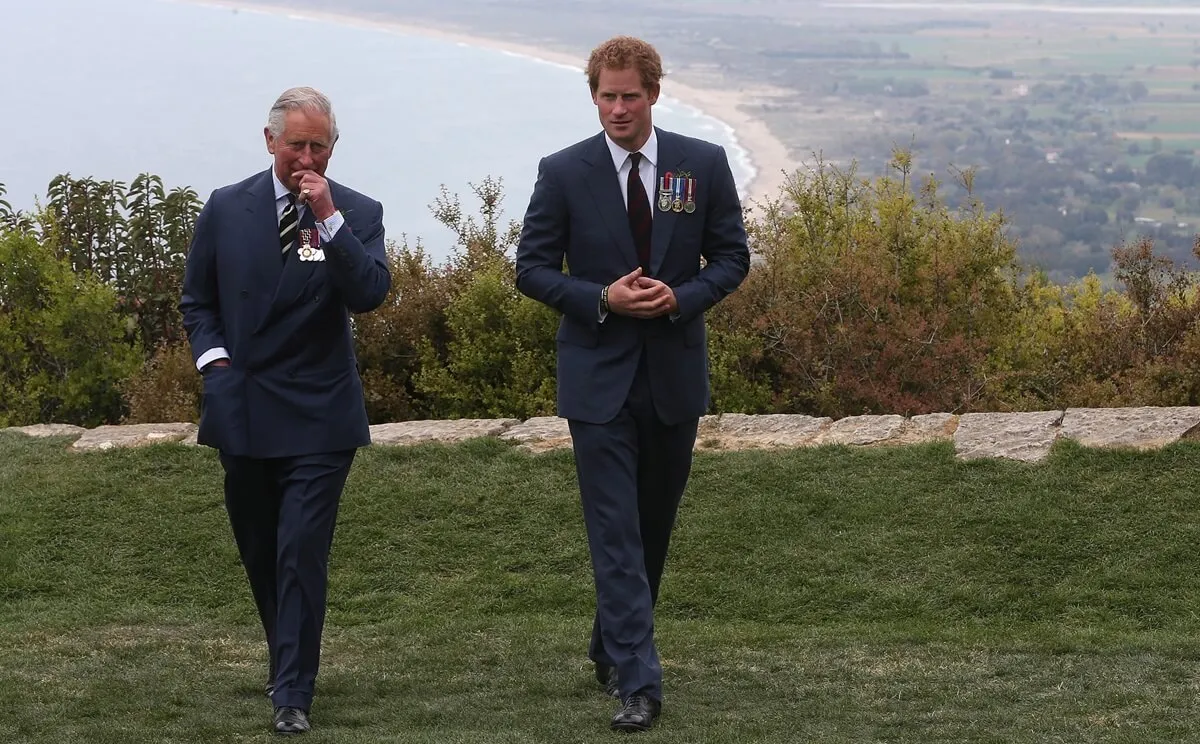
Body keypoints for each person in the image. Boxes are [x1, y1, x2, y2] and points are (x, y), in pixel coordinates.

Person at [514, 36, 751, 732]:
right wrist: (601, 298)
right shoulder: (563, 172)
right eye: (606, 96)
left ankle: (609, 645)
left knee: (650, 530)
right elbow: (530, 268)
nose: (617, 108)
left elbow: (732, 255)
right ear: (593, 95)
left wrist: (682, 297)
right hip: (597, 384)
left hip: (673, 378)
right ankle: (640, 683)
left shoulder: (701, 164)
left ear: (654, 93)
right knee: (614, 531)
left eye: (629, 96)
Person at [180, 86, 391, 736]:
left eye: (318, 146)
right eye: (295, 144)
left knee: (301, 549)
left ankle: (293, 693)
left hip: (320, 412)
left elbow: (369, 293)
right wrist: (214, 366)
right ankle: (286, 658)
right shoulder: (225, 209)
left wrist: (328, 220)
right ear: (269, 140)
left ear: (332, 147)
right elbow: (198, 302)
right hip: (242, 407)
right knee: (261, 549)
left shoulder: (355, 210)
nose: (305, 156)